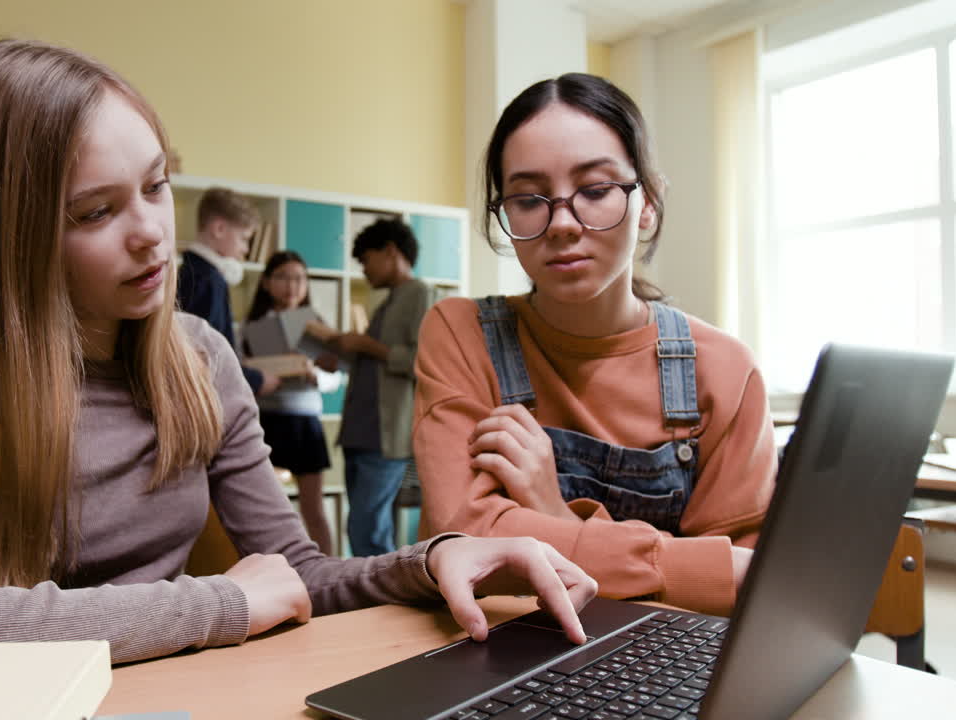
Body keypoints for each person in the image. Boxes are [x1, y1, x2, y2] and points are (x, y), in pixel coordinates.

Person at [0, 39, 598, 664]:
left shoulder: (201, 357)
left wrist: (436, 560)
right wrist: (214, 606)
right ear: (6, 245)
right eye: (96, 212)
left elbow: (291, 575)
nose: (152, 233)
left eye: (156, 184)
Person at [413, 72, 777, 618]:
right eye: (529, 198)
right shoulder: (459, 333)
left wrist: (555, 516)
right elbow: (468, 539)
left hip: (666, 658)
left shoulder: (724, 370)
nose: (561, 223)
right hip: (496, 644)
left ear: (647, 203)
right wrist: (678, 565)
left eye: (597, 190)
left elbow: (742, 585)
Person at [329, 218, 436, 557]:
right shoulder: (388, 300)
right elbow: (379, 364)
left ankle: (374, 602)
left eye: (366, 260)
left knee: (367, 530)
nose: (364, 271)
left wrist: (365, 345)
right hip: (360, 433)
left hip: (384, 436)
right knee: (364, 528)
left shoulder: (420, 294)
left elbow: (425, 361)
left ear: (390, 251)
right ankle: (377, 597)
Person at [243, 250, 340, 555]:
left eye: (299, 278)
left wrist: (317, 375)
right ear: (267, 283)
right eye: (283, 277)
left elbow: (336, 376)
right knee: (269, 511)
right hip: (268, 422)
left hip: (306, 425)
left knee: (313, 509)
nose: (292, 285)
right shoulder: (250, 327)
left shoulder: (314, 324)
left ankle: (329, 571)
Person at [176, 186, 279, 397]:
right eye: (244, 238)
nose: (246, 249)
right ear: (219, 229)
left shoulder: (189, 271)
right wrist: (256, 380)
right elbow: (208, 354)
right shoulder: (210, 280)